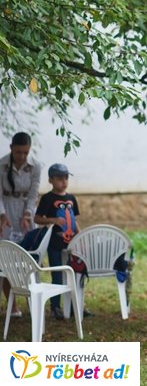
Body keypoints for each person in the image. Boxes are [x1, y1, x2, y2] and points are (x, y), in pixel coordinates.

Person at [1, 132, 42, 316]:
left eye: (26, 152)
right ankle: (12, 305)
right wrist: (1, 215)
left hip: (25, 213)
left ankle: (33, 302)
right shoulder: (1, 165)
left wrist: (28, 214)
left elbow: (33, 194)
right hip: (6, 211)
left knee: (28, 258)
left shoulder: (35, 166)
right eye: (18, 152)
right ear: (11, 148)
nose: (22, 156)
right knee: (6, 259)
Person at [34, 163, 81, 320]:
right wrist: (53, 220)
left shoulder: (71, 198)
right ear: (51, 180)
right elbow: (37, 218)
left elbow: (74, 220)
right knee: (58, 275)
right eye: (60, 178)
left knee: (75, 274)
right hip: (54, 244)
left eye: (66, 178)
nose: (64, 181)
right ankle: (55, 307)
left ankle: (75, 305)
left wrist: (80, 236)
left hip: (71, 244)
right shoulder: (47, 198)